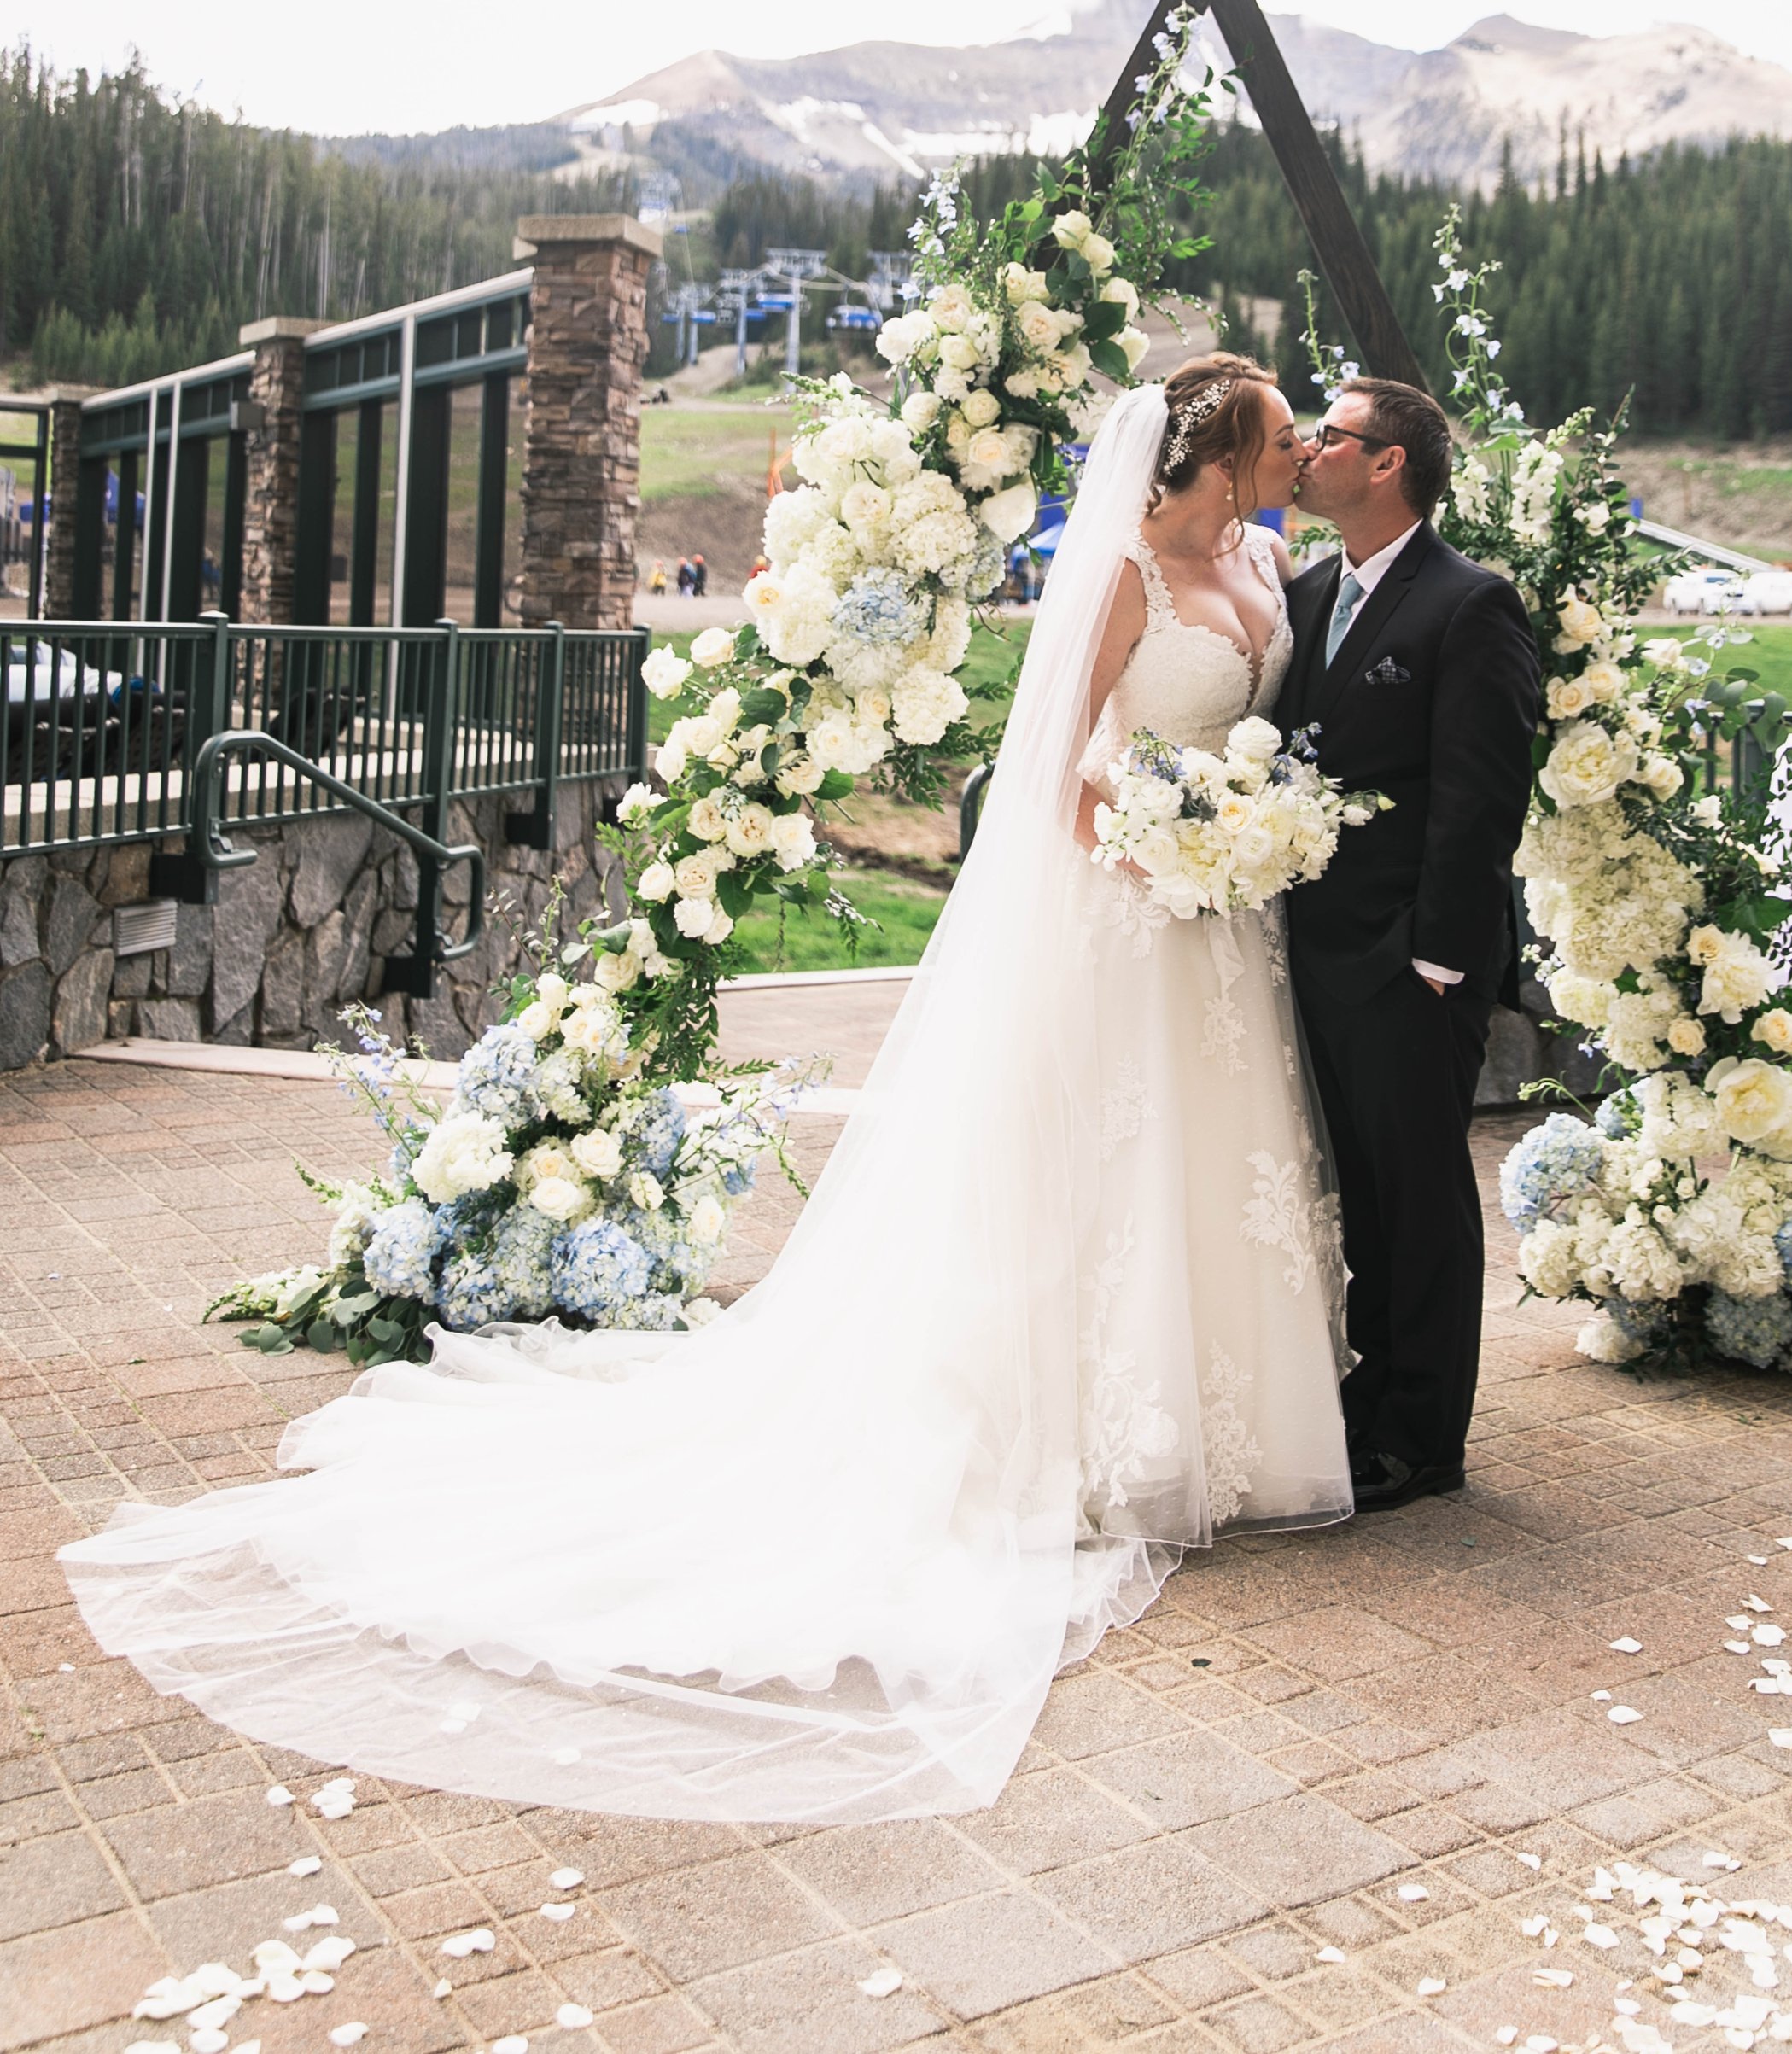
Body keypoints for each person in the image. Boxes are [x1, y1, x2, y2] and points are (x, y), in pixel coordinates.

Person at [62, 369, 1351, 1826]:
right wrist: (1159, 849)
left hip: (1222, 930)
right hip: (1128, 912)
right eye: (1274, 431)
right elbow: (1064, 771)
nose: (1294, 447)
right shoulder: (1121, 571)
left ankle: (1216, 1427)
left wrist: (1236, 841)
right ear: (1215, 449)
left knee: (1206, 1162)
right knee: (1098, 1164)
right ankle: (1097, 1438)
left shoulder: (1263, 558)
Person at [1274, 379, 1541, 1512]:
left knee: (1418, 1195)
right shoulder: (1309, 588)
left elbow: (1481, 800)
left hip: (1406, 963)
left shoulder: (1470, 604)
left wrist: (1440, 958)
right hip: (1309, 950)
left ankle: (1422, 1435)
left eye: (1327, 435)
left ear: (1387, 465)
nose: (1307, 449)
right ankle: (1362, 1399)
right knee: (1359, 1195)